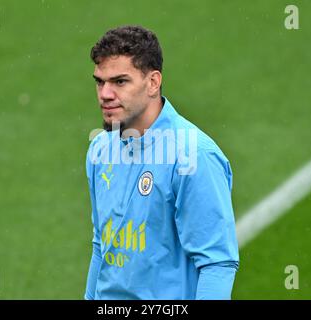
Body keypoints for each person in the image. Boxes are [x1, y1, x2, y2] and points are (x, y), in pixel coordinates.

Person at [84, 25, 239, 300]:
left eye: (120, 82)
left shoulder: (193, 156)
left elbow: (216, 264)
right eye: (100, 81)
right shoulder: (100, 149)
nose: (105, 94)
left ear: (153, 83)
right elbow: (102, 246)